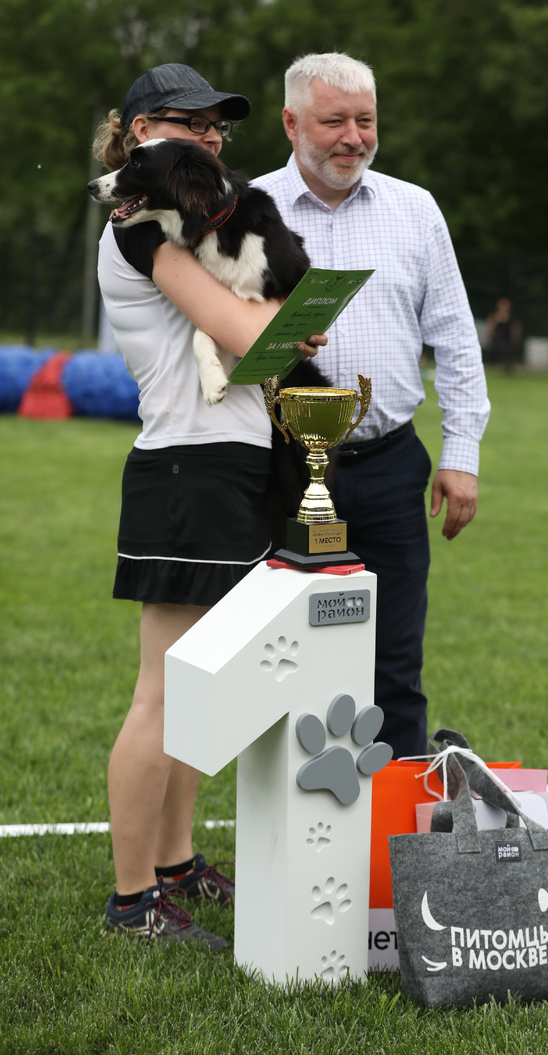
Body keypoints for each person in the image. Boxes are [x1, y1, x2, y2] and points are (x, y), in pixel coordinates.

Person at [94, 63, 326, 947]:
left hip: (228, 463)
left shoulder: (189, 222)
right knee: (160, 693)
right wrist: (289, 320)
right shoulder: (136, 226)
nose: (210, 138)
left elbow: (262, 346)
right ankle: (132, 903)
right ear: (144, 132)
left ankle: (176, 865)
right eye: (189, 124)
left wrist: (287, 323)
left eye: (218, 127)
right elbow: (246, 333)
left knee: (199, 691)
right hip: (184, 470)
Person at [252, 53, 490, 759]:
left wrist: (461, 456)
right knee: (280, 657)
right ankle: (295, 843)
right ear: (292, 123)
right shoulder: (246, 209)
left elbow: (456, 338)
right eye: (334, 121)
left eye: (366, 120)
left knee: (394, 668)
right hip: (277, 470)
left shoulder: (415, 209)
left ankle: (395, 848)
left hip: (391, 470)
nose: (353, 137)